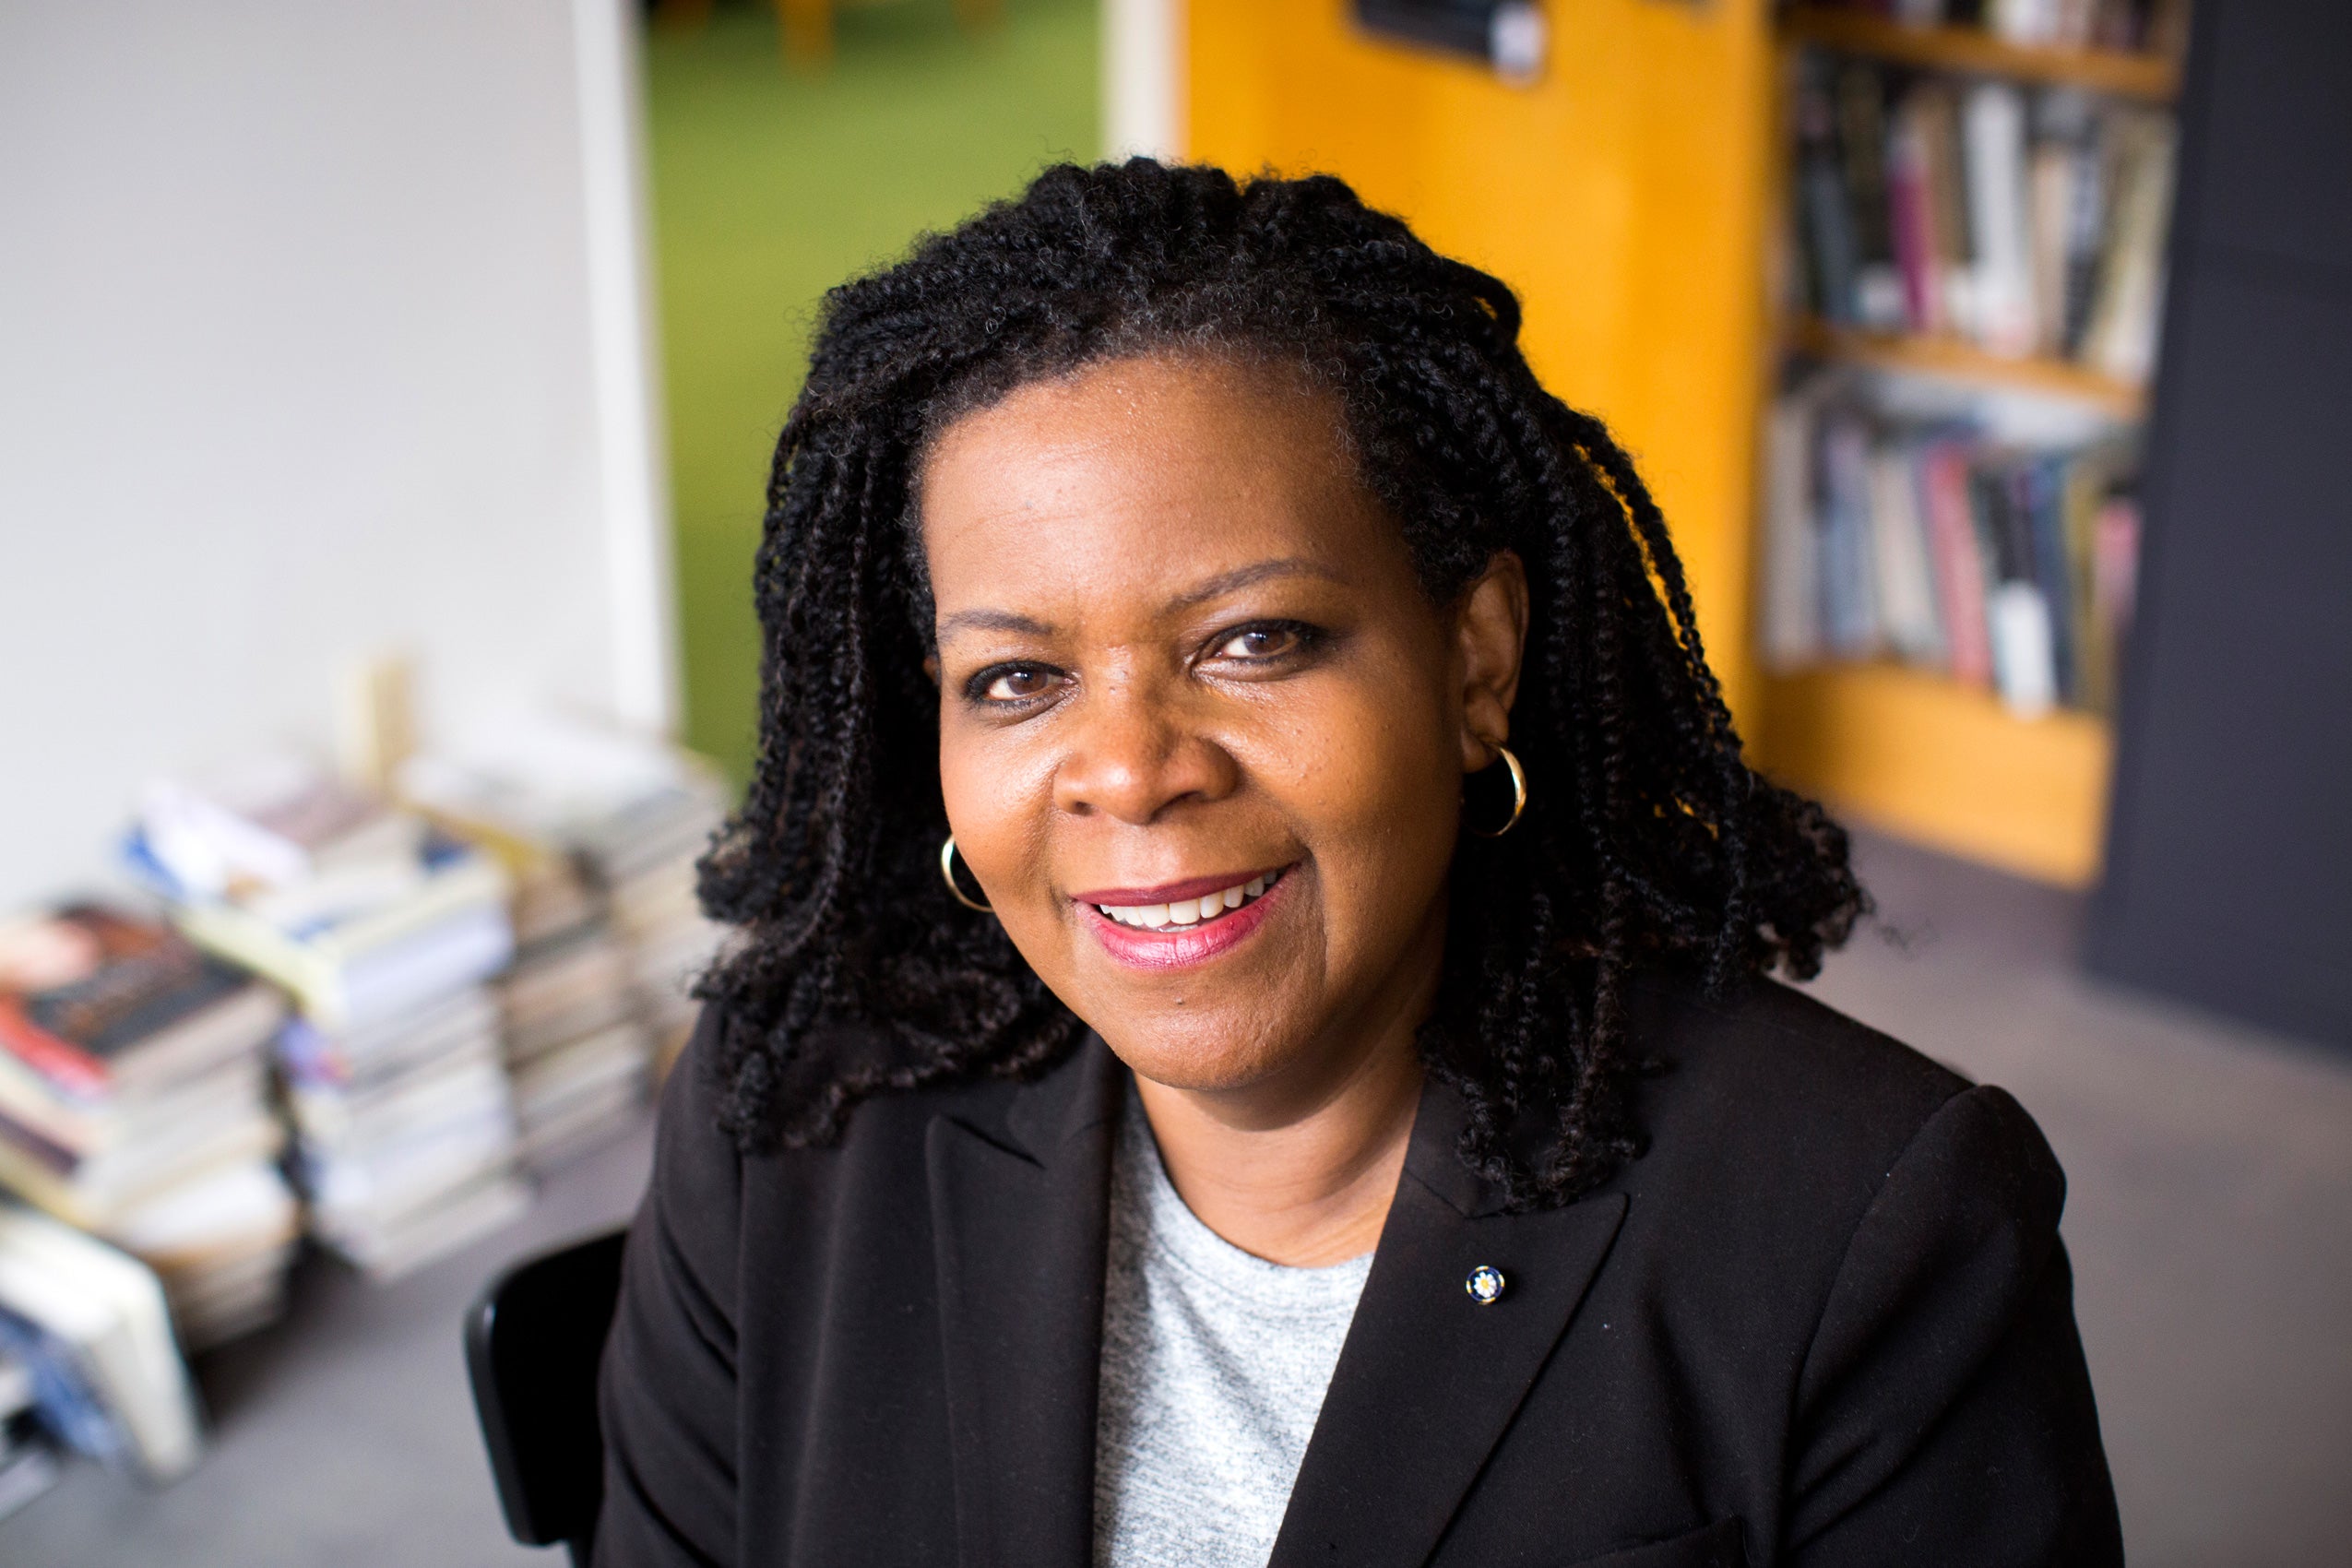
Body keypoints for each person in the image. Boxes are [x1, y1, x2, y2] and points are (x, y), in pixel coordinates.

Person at [594, 160, 2120, 1568]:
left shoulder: (1866, 1222)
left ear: (1475, 662)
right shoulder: (789, 1112)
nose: (1129, 769)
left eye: (1253, 641)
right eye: (1015, 680)